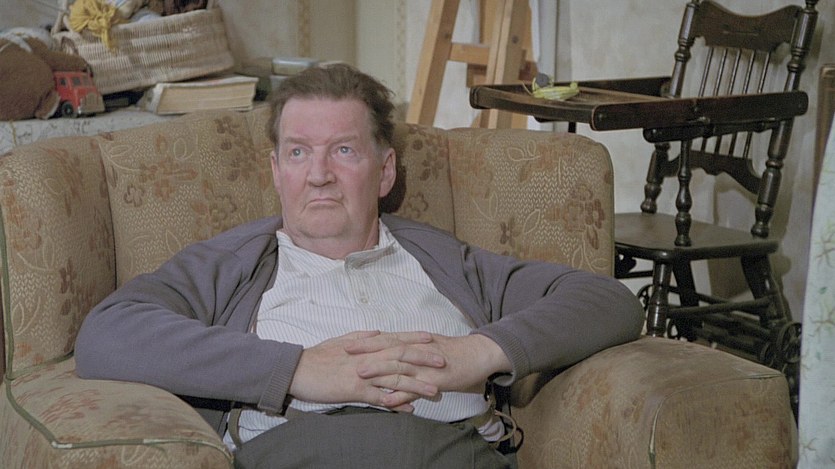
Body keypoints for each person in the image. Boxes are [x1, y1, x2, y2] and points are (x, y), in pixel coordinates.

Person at [74, 63, 644, 468]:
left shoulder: (447, 262)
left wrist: (477, 354)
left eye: (343, 150)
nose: (318, 174)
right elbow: (107, 333)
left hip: (451, 452)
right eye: (299, 152)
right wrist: (298, 370)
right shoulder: (230, 264)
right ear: (276, 171)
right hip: (298, 454)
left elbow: (608, 301)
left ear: (385, 170)